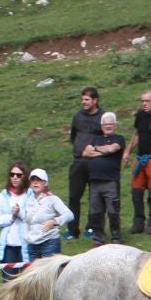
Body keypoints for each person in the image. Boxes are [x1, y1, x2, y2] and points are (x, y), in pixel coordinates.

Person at [18, 169, 75, 300]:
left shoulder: (52, 200)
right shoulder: (29, 201)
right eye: (33, 180)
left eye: (39, 180)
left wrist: (54, 221)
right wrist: (18, 213)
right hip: (33, 244)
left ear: (45, 183)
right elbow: (29, 219)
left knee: (55, 280)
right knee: (37, 281)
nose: (35, 183)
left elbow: (69, 214)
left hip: (50, 242)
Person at [82, 111, 127, 244]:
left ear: (115, 125)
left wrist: (95, 151)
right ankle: (98, 238)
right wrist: (101, 150)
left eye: (111, 124)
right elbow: (85, 152)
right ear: (101, 126)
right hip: (95, 181)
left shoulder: (119, 138)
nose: (108, 126)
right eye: (105, 124)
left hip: (111, 181)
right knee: (96, 212)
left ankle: (116, 237)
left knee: (113, 211)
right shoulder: (96, 138)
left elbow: (112, 149)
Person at [66, 87, 105, 240]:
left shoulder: (102, 117)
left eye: (87, 99)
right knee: (74, 196)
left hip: (95, 162)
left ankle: (91, 228)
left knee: (94, 197)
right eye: (82, 99)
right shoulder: (77, 117)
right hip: (78, 162)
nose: (84, 102)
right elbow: (73, 136)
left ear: (95, 100)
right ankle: (72, 229)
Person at [0, 163, 32, 291]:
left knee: (28, 285)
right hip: (8, 248)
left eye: (18, 175)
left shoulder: (30, 195)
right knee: (9, 286)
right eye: (12, 174)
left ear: (24, 177)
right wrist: (11, 217)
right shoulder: (3, 196)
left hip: (27, 245)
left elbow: (34, 216)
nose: (15, 177)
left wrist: (20, 213)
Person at [130, 91, 151, 234]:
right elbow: (137, 134)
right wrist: (127, 151)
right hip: (139, 158)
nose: (144, 104)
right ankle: (138, 221)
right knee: (136, 191)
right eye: (142, 101)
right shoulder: (140, 115)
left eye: (147, 101)